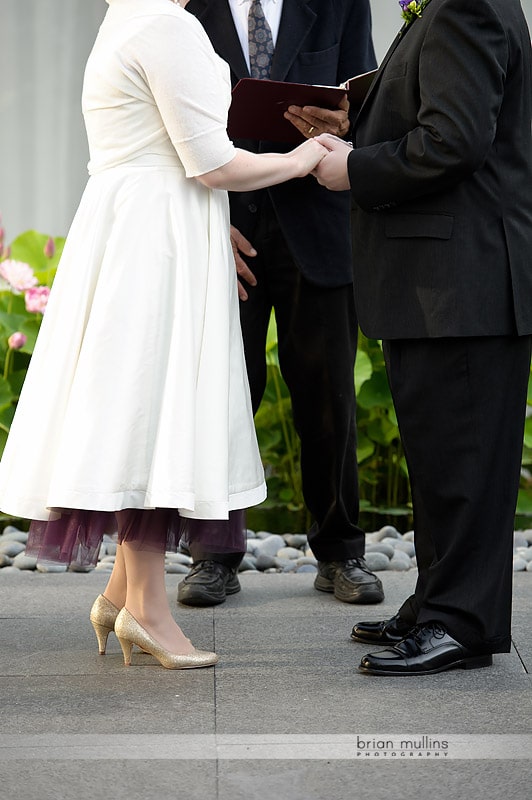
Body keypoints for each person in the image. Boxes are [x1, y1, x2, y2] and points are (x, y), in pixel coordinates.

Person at [0, 0, 328, 670]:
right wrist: (304, 159)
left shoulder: (123, 16)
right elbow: (212, 164)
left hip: (129, 227)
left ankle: (122, 596)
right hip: (157, 238)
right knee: (153, 412)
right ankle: (148, 611)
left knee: (135, 407)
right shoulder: (167, 25)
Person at [314, 0, 532, 675]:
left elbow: (455, 139)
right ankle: (438, 604)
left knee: (463, 467)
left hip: (463, 283)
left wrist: (355, 167)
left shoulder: (466, 5)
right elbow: (438, 111)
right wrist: (359, 124)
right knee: (442, 462)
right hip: (443, 282)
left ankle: (461, 624)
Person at [177, 0, 385, 607]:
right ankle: (213, 555)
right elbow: (167, 128)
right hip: (222, 227)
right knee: (220, 390)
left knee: (330, 396)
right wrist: (202, 223)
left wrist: (342, 121)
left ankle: (342, 551)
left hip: (317, 221)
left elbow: (363, 98)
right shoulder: (184, 7)